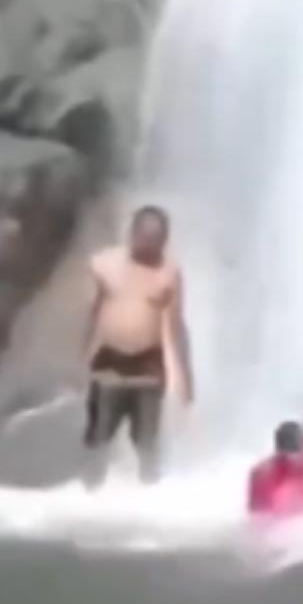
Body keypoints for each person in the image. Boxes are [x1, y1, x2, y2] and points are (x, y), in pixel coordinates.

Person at [81, 205, 194, 486]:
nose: (149, 243)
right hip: (109, 364)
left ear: (165, 240)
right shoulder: (104, 264)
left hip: (148, 366)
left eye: (156, 239)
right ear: (132, 233)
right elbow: (89, 313)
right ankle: (91, 489)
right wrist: (78, 359)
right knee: (98, 436)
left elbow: (177, 325)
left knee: (147, 441)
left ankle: (149, 489)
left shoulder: (169, 273)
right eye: (144, 236)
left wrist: (186, 378)